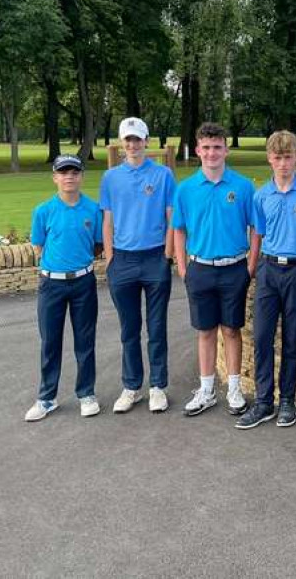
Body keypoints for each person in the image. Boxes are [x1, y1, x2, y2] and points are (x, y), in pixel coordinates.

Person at [236, 131, 296, 430]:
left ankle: (287, 400)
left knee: (292, 338)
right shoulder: (261, 195)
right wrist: (253, 268)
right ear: (269, 159)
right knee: (263, 337)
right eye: (278, 158)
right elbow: (258, 235)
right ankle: (264, 402)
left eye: (288, 157)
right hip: (269, 270)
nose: (283, 164)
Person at [172, 122, 258, 417]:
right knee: (205, 331)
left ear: (226, 150)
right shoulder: (185, 189)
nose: (211, 153)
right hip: (200, 269)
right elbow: (179, 231)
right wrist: (182, 267)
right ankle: (207, 390)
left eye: (217, 147)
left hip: (234, 268)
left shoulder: (243, 186)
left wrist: (251, 264)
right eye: (206, 148)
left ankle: (234, 389)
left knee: (232, 330)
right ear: (197, 150)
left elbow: (255, 229)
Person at [100, 117, 176, 415]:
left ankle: (157, 386)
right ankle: (132, 386)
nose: (132, 145)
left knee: (156, 327)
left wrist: (167, 254)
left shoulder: (163, 175)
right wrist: (109, 258)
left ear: (146, 142)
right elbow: (107, 219)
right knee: (129, 329)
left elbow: (172, 217)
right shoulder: (111, 178)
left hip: (155, 257)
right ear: (121, 143)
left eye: (137, 139)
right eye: (127, 140)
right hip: (123, 260)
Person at [24, 154, 103, 422]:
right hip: (51, 284)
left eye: (74, 172)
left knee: (85, 341)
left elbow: (97, 245)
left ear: (81, 176)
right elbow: (39, 246)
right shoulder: (43, 210)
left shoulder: (93, 210)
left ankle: (86, 394)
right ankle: (47, 398)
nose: (69, 177)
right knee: (50, 342)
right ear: (55, 177)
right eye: (64, 172)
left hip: (83, 282)